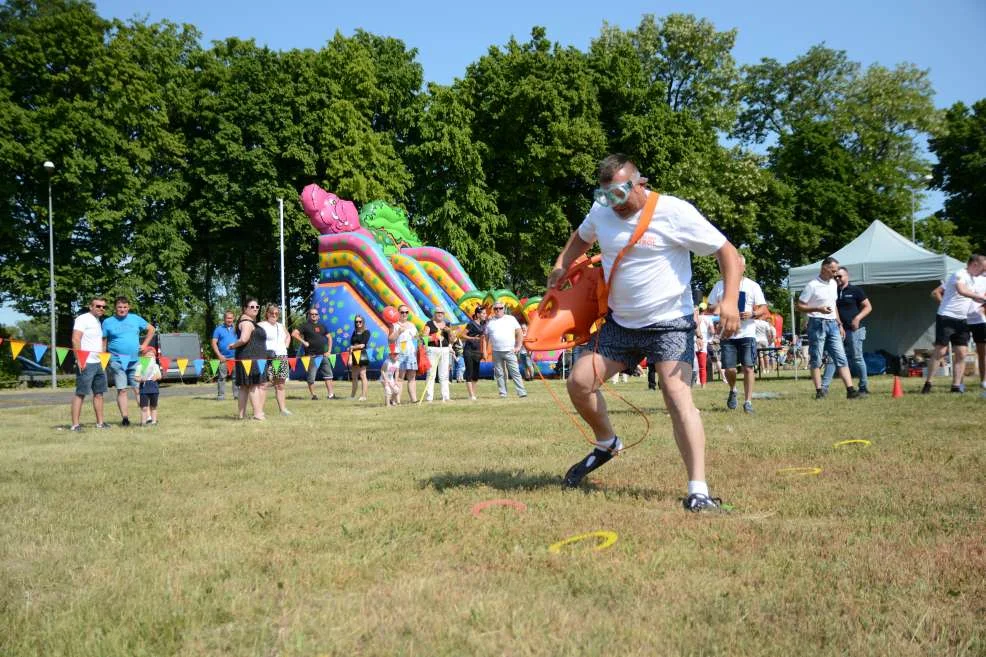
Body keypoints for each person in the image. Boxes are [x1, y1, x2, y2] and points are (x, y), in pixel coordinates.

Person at [547, 153, 741, 512]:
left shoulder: (673, 211)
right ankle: (607, 443)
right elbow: (580, 238)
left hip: (669, 322)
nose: (612, 204)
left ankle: (698, 489)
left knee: (676, 394)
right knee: (578, 382)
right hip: (621, 323)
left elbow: (728, 253)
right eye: (605, 196)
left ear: (640, 184)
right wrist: (562, 264)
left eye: (619, 194)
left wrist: (729, 300)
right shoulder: (602, 212)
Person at [708, 256, 767, 414]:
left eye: (739, 265)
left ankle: (748, 402)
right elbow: (710, 308)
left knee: (748, 367)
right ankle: (733, 390)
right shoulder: (720, 285)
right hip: (727, 333)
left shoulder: (752, 286)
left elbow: (763, 309)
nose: (735, 268)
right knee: (730, 369)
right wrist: (723, 306)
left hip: (747, 333)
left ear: (744, 268)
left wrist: (752, 313)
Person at [797, 257, 861, 400]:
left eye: (837, 271)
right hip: (817, 323)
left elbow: (833, 305)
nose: (836, 274)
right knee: (817, 359)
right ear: (824, 268)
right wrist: (817, 308)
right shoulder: (812, 285)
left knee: (841, 357)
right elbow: (799, 305)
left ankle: (850, 391)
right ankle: (819, 391)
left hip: (832, 324)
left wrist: (839, 324)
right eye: (833, 270)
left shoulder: (833, 284)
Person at [922, 254, 986, 394]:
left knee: (962, 353)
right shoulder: (959, 274)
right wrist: (978, 297)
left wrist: (982, 303)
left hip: (962, 320)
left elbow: (975, 298)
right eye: (983, 268)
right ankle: (928, 383)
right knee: (941, 351)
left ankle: (956, 386)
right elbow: (961, 291)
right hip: (946, 317)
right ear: (975, 264)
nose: (983, 272)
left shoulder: (974, 279)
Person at [101, 296, 155, 426]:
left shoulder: (135, 318)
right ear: (115, 308)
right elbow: (103, 341)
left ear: (128, 307)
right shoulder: (108, 322)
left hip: (135, 361)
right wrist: (103, 357)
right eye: (119, 307)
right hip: (116, 361)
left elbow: (151, 329)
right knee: (122, 390)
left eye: (125, 307)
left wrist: (144, 345)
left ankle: (147, 417)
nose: (122, 310)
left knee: (138, 389)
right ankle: (125, 418)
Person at [820, 267, 872, 395]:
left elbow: (868, 307)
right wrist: (839, 324)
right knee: (832, 358)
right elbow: (833, 308)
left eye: (840, 276)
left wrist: (858, 318)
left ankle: (863, 387)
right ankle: (823, 388)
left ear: (847, 276)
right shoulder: (833, 291)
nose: (837, 278)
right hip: (837, 330)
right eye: (835, 276)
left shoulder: (856, 290)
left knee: (857, 358)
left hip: (855, 330)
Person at [69, 296, 111, 432]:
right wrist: (79, 359)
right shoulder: (82, 319)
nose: (101, 308)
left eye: (103, 307)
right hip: (86, 362)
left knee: (99, 394)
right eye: (98, 306)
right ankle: (75, 425)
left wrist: (104, 358)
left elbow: (102, 342)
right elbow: (76, 339)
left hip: (99, 362)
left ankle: (100, 423)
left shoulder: (99, 322)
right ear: (91, 306)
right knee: (80, 393)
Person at [228, 298, 267, 420]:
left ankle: (241, 415)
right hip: (250, 358)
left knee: (245, 386)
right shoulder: (247, 322)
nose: (255, 309)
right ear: (245, 309)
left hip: (250, 357)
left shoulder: (250, 322)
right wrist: (233, 346)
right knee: (253, 385)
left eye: (257, 307)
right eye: (252, 307)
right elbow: (244, 339)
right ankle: (257, 414)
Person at [292, 307, 335, 400]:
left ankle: (331, 395)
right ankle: (313, 395)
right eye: (312, 314)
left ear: (318, 316)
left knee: (328, 376)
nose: (314, 316)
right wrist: (303, 342)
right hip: (311, 356)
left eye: (315, 314)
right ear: (309, 316)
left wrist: (329, 351)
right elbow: (294, 333)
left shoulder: (322, 326)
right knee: (311, 378)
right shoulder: (305, 326)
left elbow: (330, 338)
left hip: (323, 355)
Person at [485, 303, 527, 398]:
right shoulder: (490, 322)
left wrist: (518, 346)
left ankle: (522, 392)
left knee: (515, 372)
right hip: (496, 351)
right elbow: (486, 337)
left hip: (510, 350)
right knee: (499, 373)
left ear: (504, 309)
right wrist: (484, 351)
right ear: (493, 309)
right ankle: (503, 393)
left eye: (500, 308)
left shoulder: (511, 319)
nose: (498, 310)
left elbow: (519, 332)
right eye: (496, 308)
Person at [259, 304, 291, 416]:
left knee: (281, 384)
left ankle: (283, 410)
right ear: (267, 313)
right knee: (264, 384)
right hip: (268, 357)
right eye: (271, 312)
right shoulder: (261, 325)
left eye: (276, 313)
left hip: (282, 356)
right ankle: (260, 411)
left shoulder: (281, 325)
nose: (274, 315)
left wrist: (285, 345)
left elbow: (288, 336)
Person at [388, 304, 419, 403]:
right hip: (399, 354)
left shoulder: (412, 325)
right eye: (402, 312)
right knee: (400, 378)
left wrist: (423, 344)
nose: (404, 314)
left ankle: (414, 400)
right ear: (398, 313)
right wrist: (398, 332)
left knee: (412, 377)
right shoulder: (394, 325)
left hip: (411, 354)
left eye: (406, 312)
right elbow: (390, 339)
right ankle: (396, 400)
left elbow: (417, 338)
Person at [423, 308, 453, 402]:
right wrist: (434, 337)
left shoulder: (447, 324)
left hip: (444, 350)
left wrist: (449, 332)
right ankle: (429, 397)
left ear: (444, 314)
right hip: (432, 350)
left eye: (442, 313)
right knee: (431, 373)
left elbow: (452, 340)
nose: (440, 314)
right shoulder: (429, 324)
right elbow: (424, 338)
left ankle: (446, 397)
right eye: (438, 312)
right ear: (434, 314)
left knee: (444, 374)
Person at [210, 310, 239, 401]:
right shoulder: (218, 329)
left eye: (231, 318)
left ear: (233, 318)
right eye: (227, 318)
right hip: (223, 358)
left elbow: (242, 341)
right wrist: (219, 355)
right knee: (222, 378)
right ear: (224, 319)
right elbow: (214, 343)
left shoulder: (237, 329)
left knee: (236, 378)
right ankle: (221, 396)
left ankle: (237, 396)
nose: (229, 320)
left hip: (236, 358)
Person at [462, 306, 487, 400]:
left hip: (477, 351)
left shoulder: (484, 324)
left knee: (476, 374)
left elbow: (484, 338)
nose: (485, 315)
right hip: (468, 350)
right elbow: (462, 335)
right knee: (469, 372)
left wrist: (484, 351)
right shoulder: (471, 324)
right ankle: (471, 395)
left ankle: (473, 394)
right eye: (483, 313)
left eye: (485, 313)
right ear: (478, 314)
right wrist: (472, 338)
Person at [348, 315, 371, 401]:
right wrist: (350, 357)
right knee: (354, 376)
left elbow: (362, 345)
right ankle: (352, 396)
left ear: (363, 322)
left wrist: (352, 347)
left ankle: (363, 396)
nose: (358, 323)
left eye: (360, 321)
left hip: (362, 354)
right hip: (353, 354)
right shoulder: (354, 332)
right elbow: (351, 345)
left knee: (362, 375)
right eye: (356, 322)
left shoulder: (366, 332)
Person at [137, 346, 161, 425]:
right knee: (144, 407)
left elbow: (160, 376)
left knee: (153, 406)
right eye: (148, 355)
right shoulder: (140, 366)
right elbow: (136, 377)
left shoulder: (156, 366)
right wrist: (140, 379)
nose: (151, 357)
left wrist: (156, 377)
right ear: (143, 357)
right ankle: (143, 423)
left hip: (154, 387)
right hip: (144, 388)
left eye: (153, 355)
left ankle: (154, 422)